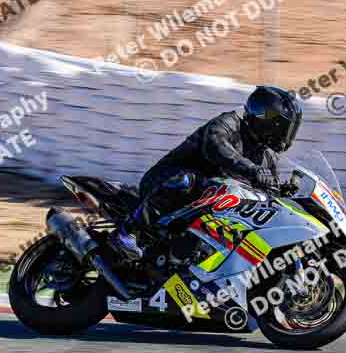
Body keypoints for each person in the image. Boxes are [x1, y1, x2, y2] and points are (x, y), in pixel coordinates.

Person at [114, 85, 304, 260]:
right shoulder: (230, 123)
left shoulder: (267, 158)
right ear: (270, 122)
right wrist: (250, 169)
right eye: (285, 127)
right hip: (165, 183)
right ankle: (128, 231)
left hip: (207, 209)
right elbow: (215, 146)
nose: (287, 134)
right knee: (187, 180)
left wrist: (281, 195)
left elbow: (268, 193)